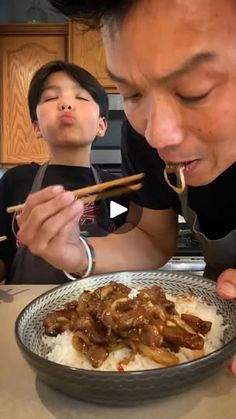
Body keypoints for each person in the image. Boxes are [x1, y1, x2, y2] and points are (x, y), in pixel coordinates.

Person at [15, 0, 236, 372]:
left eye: (194, 90)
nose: (157, 133)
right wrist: (77, 252)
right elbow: (152, 238)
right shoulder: (141, 136)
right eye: (132, 94)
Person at [0, 60, 129, 284]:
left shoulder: (118, 191)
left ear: (102, 125)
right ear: (37, 127)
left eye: (81, 97)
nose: (66, 104)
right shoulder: (16, 180)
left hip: (102, 313)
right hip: (24, 312)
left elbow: (128, 259)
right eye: (51, 98)